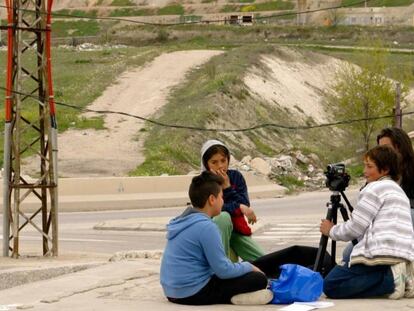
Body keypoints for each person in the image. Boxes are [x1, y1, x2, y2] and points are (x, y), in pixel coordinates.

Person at [160, 171, 273, 305]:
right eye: (221, 197)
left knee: (245, 270)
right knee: (258, 279)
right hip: (192, 293)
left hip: (171, 292)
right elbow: (223, 270)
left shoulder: (183, 221)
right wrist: (248, 266)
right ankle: (235, 298)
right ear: (212, 199)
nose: (223, 201)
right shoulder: (206, 226)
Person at [320, 145, 414, 299]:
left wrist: (330, 230)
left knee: (332, 284)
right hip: (403, 253)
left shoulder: (374, 188)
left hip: (383, 252)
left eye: (369, 166)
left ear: (384, 170)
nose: (364, 171)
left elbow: (355, 228)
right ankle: (400, 277)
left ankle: (392, 281)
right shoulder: (398, 190)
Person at [342, 127, 414, 265]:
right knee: (347, 254)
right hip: (379, 229)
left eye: (387, 147)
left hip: (402, 227)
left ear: (400, 147)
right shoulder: (379, 172)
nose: (383, 152)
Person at [200, 140, 265, 262]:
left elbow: (245, 203)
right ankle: (220, 263)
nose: (220, 166)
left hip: (236, 230)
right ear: (206, 164)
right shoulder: (203, 182)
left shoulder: (235, 176)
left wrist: (227, 187)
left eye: (223, 161)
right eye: (214, 162)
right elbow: (213, 210)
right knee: (222, 217)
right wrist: (239, 207)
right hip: (214, 233)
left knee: (264, 259)